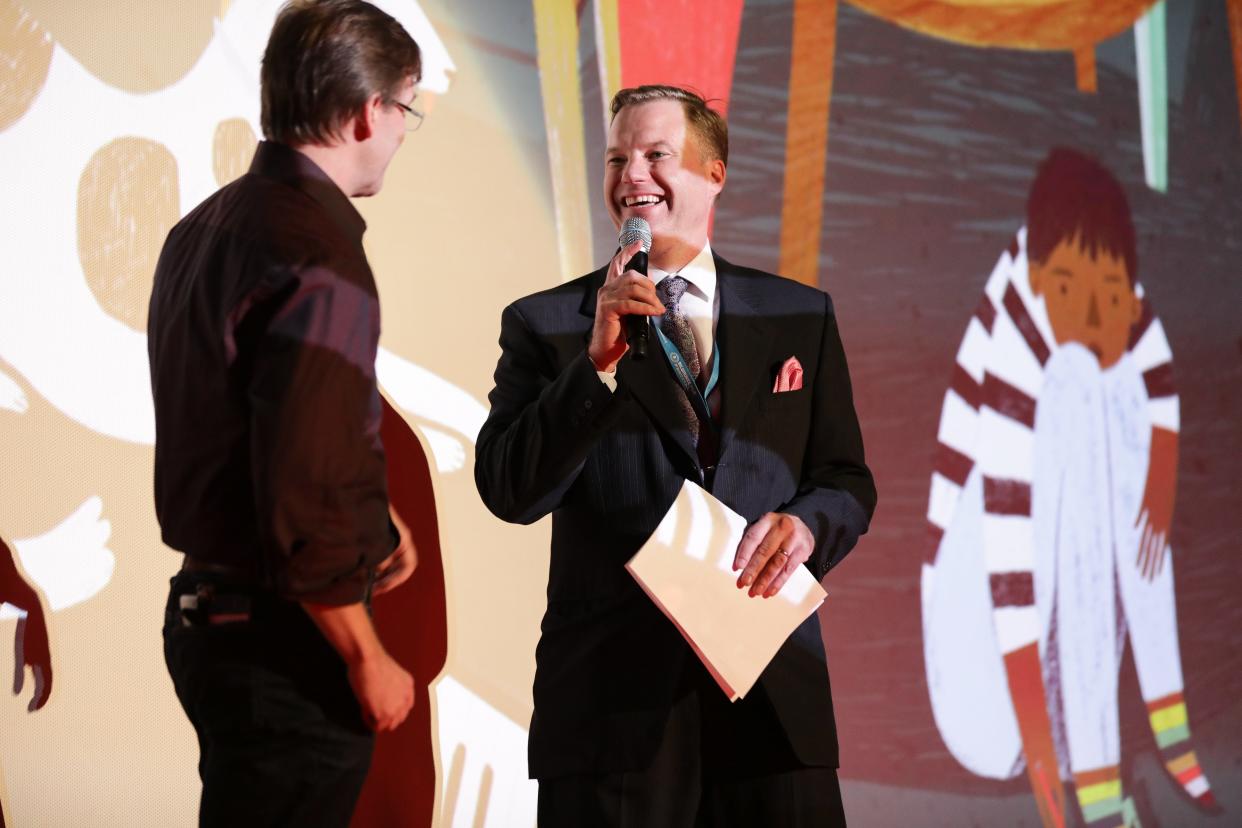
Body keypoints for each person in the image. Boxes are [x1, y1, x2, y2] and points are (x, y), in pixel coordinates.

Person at [475, 84, 876, 827]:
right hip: (612, 711)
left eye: (656, 154)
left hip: (772, 700)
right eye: (617, 157)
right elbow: (508, 488)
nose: (632, 175)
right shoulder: (548, 324)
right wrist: (593, 370)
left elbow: (845, 479)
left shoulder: (800, 314)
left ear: (713, 173)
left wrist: (808, 526)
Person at [147, 2, 423, 825]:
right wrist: (365, 653)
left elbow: (253, 435)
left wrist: (374, 522)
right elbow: (301, 486)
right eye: (407, 109)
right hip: (283, 653)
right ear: (369, 109)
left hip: (210, 621)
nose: (406, 131)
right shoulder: (318, 255)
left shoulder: (203, 227)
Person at [921, 148, 1216, 828]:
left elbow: (1145, 347)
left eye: (1112, 296)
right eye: (1068, 292)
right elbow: (1009, 584)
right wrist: (1052, 792)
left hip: (1056, 675)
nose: (1092, 314)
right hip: (984, 685)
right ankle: (1099, 787)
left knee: (1108, 376)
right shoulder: (1022, 348)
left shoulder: (1090, 280)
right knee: (1083, 379)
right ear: (1034, 274)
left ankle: (1155, 733)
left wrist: (1161, 470)